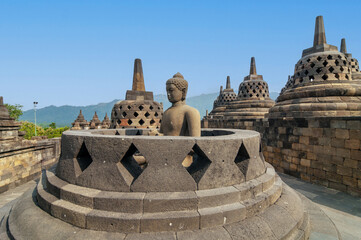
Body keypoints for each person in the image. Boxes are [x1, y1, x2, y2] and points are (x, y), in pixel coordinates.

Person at [160, 72, 201, 137]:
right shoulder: (166, 113)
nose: (168, 94)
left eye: (171, 90)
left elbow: (195, 141)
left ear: (183, 91)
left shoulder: (191, 112)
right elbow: (163, 134)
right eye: (167, 91)